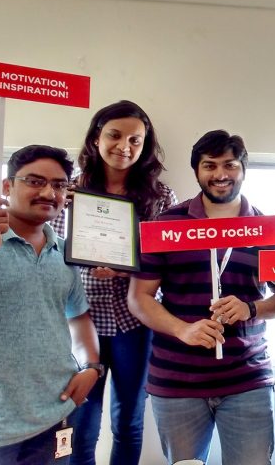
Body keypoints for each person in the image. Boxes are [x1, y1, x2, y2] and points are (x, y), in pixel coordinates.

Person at [128, 130, 275, 465]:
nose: (220, 174)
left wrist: (251, 308)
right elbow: (140, 298)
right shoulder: (167, 224)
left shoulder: (266, 230)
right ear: (196, 170)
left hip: (247, 379)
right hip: (177, 380)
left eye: (230, 165)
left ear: (243, 169)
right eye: (210, 165)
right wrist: (182, 329)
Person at [51, 100, 177, 465]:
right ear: (96, 137)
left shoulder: (160, 197)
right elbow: (51, 253)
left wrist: (129, 269)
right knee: (81, 423)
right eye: (115, 135)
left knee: (128, 422)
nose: (124, 146)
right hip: (80, 321)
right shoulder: (68, 192)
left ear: (145, 146)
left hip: (134, 323)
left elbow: (170, 263)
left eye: (135, 140)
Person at [0, 145, 100, 464]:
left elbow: (79, 316)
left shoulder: (65, 253)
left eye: (59, 185)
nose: (48, 192)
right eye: (34, 181)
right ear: (7, 186)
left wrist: (91, 367)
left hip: (55, 414)